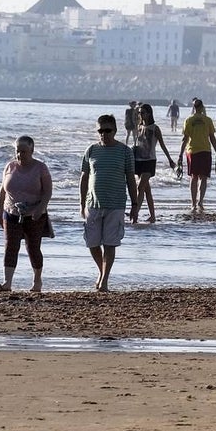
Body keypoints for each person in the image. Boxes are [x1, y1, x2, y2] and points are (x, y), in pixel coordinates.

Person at [79, 114, 138, 292]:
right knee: (92, 243)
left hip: (116, 204)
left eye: (107, 130)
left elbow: (130, 179)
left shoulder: (125, 151)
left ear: (115, 130)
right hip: (93, 204)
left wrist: (135, 205)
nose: (104, 134)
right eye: (100, 131)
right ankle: (101, 271)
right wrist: (82, 203)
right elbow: (84, 177)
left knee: (110, 243)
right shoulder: (91, 150)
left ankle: (104, 280)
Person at [0, 135, 52, 292]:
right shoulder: (10, 167)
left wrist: (40, 209)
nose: (20, 154)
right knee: (10, 246)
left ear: (32, 151)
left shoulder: (40, 168)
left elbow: (47, 191)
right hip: (11, 211)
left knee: (33, 248)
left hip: (34, 213)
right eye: (17, 151)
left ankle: (37, 281)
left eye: (24, 151)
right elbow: (2, 191)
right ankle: (7, 282)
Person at [131, 104, 176, 223]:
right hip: (138, 160)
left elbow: (162, 144)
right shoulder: (139, 126)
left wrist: (170, 160)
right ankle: (153, 216)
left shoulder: (155, 128)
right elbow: (137, 144)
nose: (141, 115)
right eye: (140, 113)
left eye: (143, 112)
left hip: (149, 161)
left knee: (140, 187)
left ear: (149, 113)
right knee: (146, 190)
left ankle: (135, 214)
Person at [177, 99, 216, 214]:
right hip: (205, 150)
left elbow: (185, 139)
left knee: (193, 177)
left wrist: (180, 154)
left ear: (193, 107)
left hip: (192, 151)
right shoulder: (207, 120)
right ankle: (200, 202)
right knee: (203, 177)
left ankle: (193, 203)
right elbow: (212, 138)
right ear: (202, 107)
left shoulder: (189, 120)